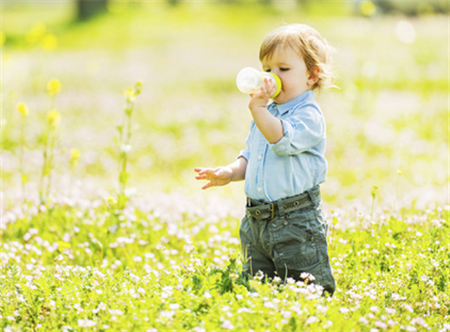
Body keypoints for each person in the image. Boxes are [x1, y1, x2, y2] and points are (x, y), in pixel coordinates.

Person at [194, 23, 336, 296]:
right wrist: (231, 171)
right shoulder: (267, 112)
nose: (272, 77)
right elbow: (253, 154)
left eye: (283, 69)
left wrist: (258, 109)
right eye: (267, 69)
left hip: (295, 221)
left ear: (312, 75)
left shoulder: (308, 115)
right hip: (256, 220)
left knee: (307, 289)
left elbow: (280, 140)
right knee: (257, 287)